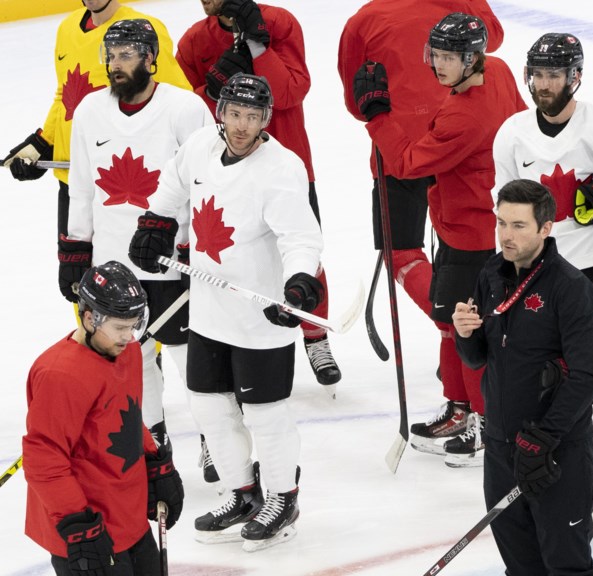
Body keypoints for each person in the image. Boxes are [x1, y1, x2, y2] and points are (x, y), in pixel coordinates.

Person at [127, 73, 323, 552]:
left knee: (264, 413)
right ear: (221, 113)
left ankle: (282, 497)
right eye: (235, 114)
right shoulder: (198, 147)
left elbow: (301, 238)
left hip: (261, 317)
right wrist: (154, 224)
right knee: (210, 408)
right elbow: (171, 190)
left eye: (253, 117)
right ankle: (241, 491)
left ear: (265, 120)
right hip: (210, 308)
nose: (242, 125)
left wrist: (298, 285)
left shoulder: (282, 168)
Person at [353, 12, 525, 466]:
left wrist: (378, 116)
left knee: (465, 328)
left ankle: (486, 428)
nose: (438, 65)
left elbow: (408, 163)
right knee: (454, 323)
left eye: (450, 57)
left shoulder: (465, 116)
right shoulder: (500, 71)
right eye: (436, 54)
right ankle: (460, 409)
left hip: (471, 236)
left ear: (472, 58)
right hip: (475, 223)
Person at [492, 32, 593, 533]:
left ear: (575, 76)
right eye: (538, 74)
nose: (544, 84)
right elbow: (505, 210)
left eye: (554, 75)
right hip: (536, 276)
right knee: (539, 379)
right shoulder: (512, 132)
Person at [63, 18, 212, 460]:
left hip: (171, 259)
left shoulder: (185, 109)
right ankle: (152, 439)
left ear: (151, 58)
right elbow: (83, 187)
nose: (116, 64)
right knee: (134, 356)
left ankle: (212, 437)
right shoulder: (90, 110)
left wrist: (192, 252)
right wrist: (76, 252)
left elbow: (205, 185)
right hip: (114, 262)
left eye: (127, 54)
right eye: (111, 55)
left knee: (189, 356)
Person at [176, 0, 342, 390]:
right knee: (230, 255)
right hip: (225, 172)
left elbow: (289, 92)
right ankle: (232, 342)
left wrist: (257, 48)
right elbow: (184, 113)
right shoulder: (193, 42)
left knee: (302, 253)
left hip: (288, 166)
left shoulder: (279, 23)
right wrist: (212, 91)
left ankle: (315, 336)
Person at [452, 179, 593, 576]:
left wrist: (543, 437)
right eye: (501, 222)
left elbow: (589, 376)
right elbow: (478, 359)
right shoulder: (490, 275)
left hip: (557, 453)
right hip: (502, 448)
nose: (506, 234)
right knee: (520, 566)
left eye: (519, 225)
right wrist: (465, 334)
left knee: (567, 565)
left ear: (545, 227)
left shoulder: (571, 288)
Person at [337, 0, 503, 343]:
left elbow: (358, 104)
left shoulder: (363, 20)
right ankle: (463, 332)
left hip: (400, 149)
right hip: (466, 153)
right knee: (462, 252)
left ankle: (452, 329)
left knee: (401, 254)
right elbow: (493, 38)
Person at [23, 261, 184, 576]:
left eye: (135, 324)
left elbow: (128, 416)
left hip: (129, 517)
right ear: (89, 318)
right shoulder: (61, 375)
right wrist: (77, 525)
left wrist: (156, 466)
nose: (129, 336)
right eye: (120, 327)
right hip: (89, 529)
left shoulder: (129, 351)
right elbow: (44, 459)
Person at [1, 0, 189, 240]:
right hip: (72, 181)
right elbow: (65, 95)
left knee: (123, 271)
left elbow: (178, 99)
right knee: (75, 273)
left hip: (121, 183)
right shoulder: (67, 28)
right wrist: (44, 142)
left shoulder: (142, 29)